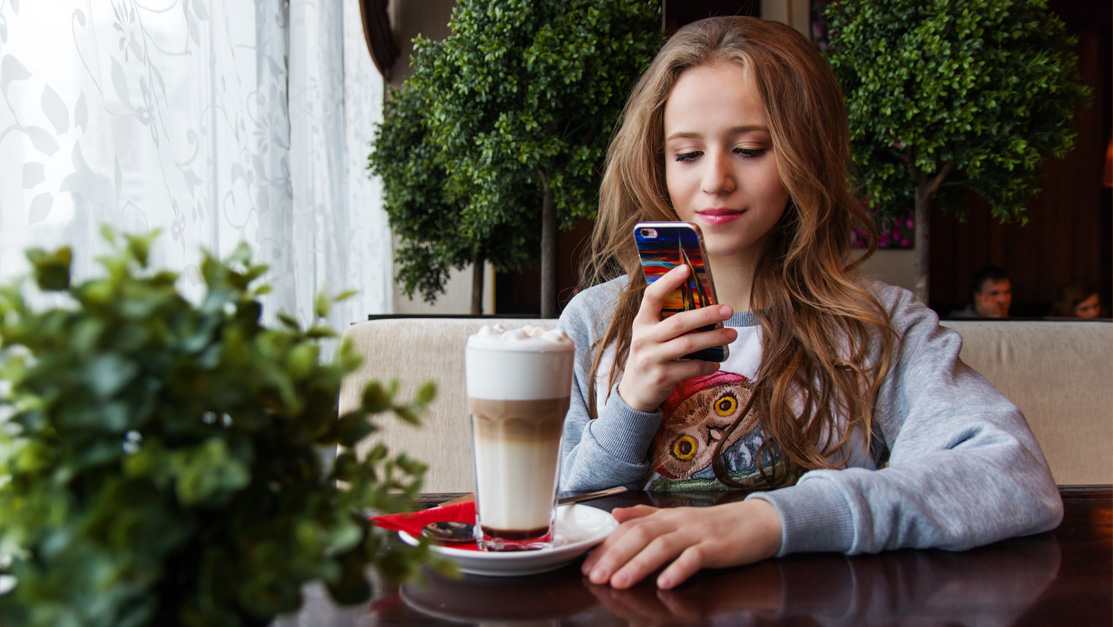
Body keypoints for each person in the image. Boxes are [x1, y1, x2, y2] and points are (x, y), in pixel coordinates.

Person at [556, 17, 1060, 591]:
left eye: (750, 149)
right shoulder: (595, 323)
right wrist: (630, 407)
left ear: (806, 154)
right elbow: (537, 515)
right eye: (688, 154)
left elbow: (1014, 476)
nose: (716, 179)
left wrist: (772, 519)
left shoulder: (877, 326)